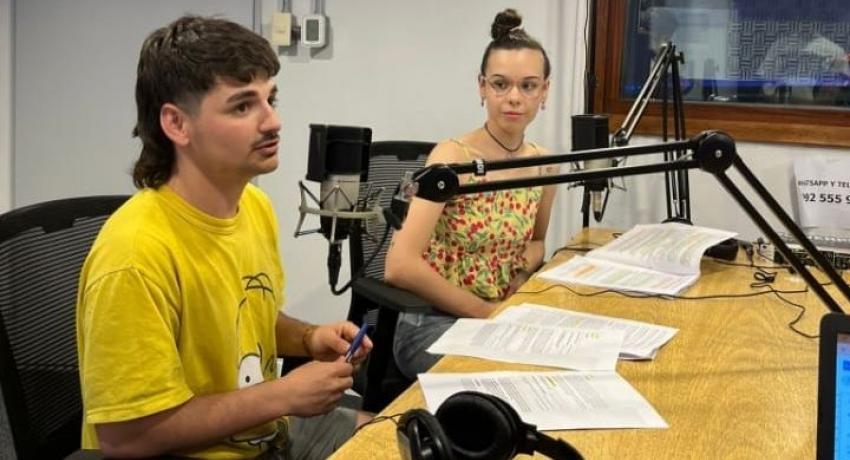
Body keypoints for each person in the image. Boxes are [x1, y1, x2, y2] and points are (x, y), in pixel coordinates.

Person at [75, 16, 372, 459]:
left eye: (271, 99)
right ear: (177, 125)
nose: (273, 122)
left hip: (266, 432)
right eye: (242, 106)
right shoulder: (134, 254)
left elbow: (245, 319)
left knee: (399, 435)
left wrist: (309, 338)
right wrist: (284, 396)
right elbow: (126, 438)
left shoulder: (254, 207)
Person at [384, 9, 557, 380]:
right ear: (481, 87)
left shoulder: (545, 165)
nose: (514, 98)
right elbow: (399, 266)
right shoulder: (452, 159)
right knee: (516, 381)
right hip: (433, 324)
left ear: (545, 91)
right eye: (500, 84)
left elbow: (538, 241)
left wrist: (522, 269)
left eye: (528, 86)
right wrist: (485, 313)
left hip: (501, 318)